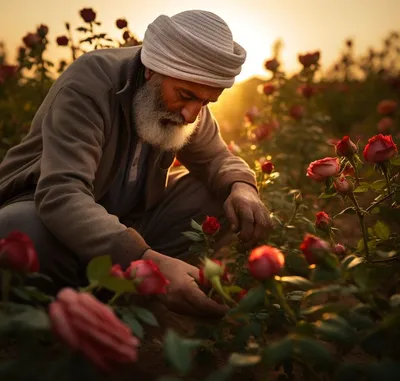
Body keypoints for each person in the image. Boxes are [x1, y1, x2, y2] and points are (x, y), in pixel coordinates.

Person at [0, 10, 272, 316]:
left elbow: (217, 158)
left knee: (219, 193)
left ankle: (139, 295)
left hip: (132, 226)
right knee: (18, 229)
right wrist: (147, 259)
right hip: (60, 224)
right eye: (186, 96)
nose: (191, 115)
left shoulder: (186, 90)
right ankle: (68, 308)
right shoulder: (89, 87)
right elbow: (62, 193)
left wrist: (242, 187)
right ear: (151, 71)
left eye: (205, 103)